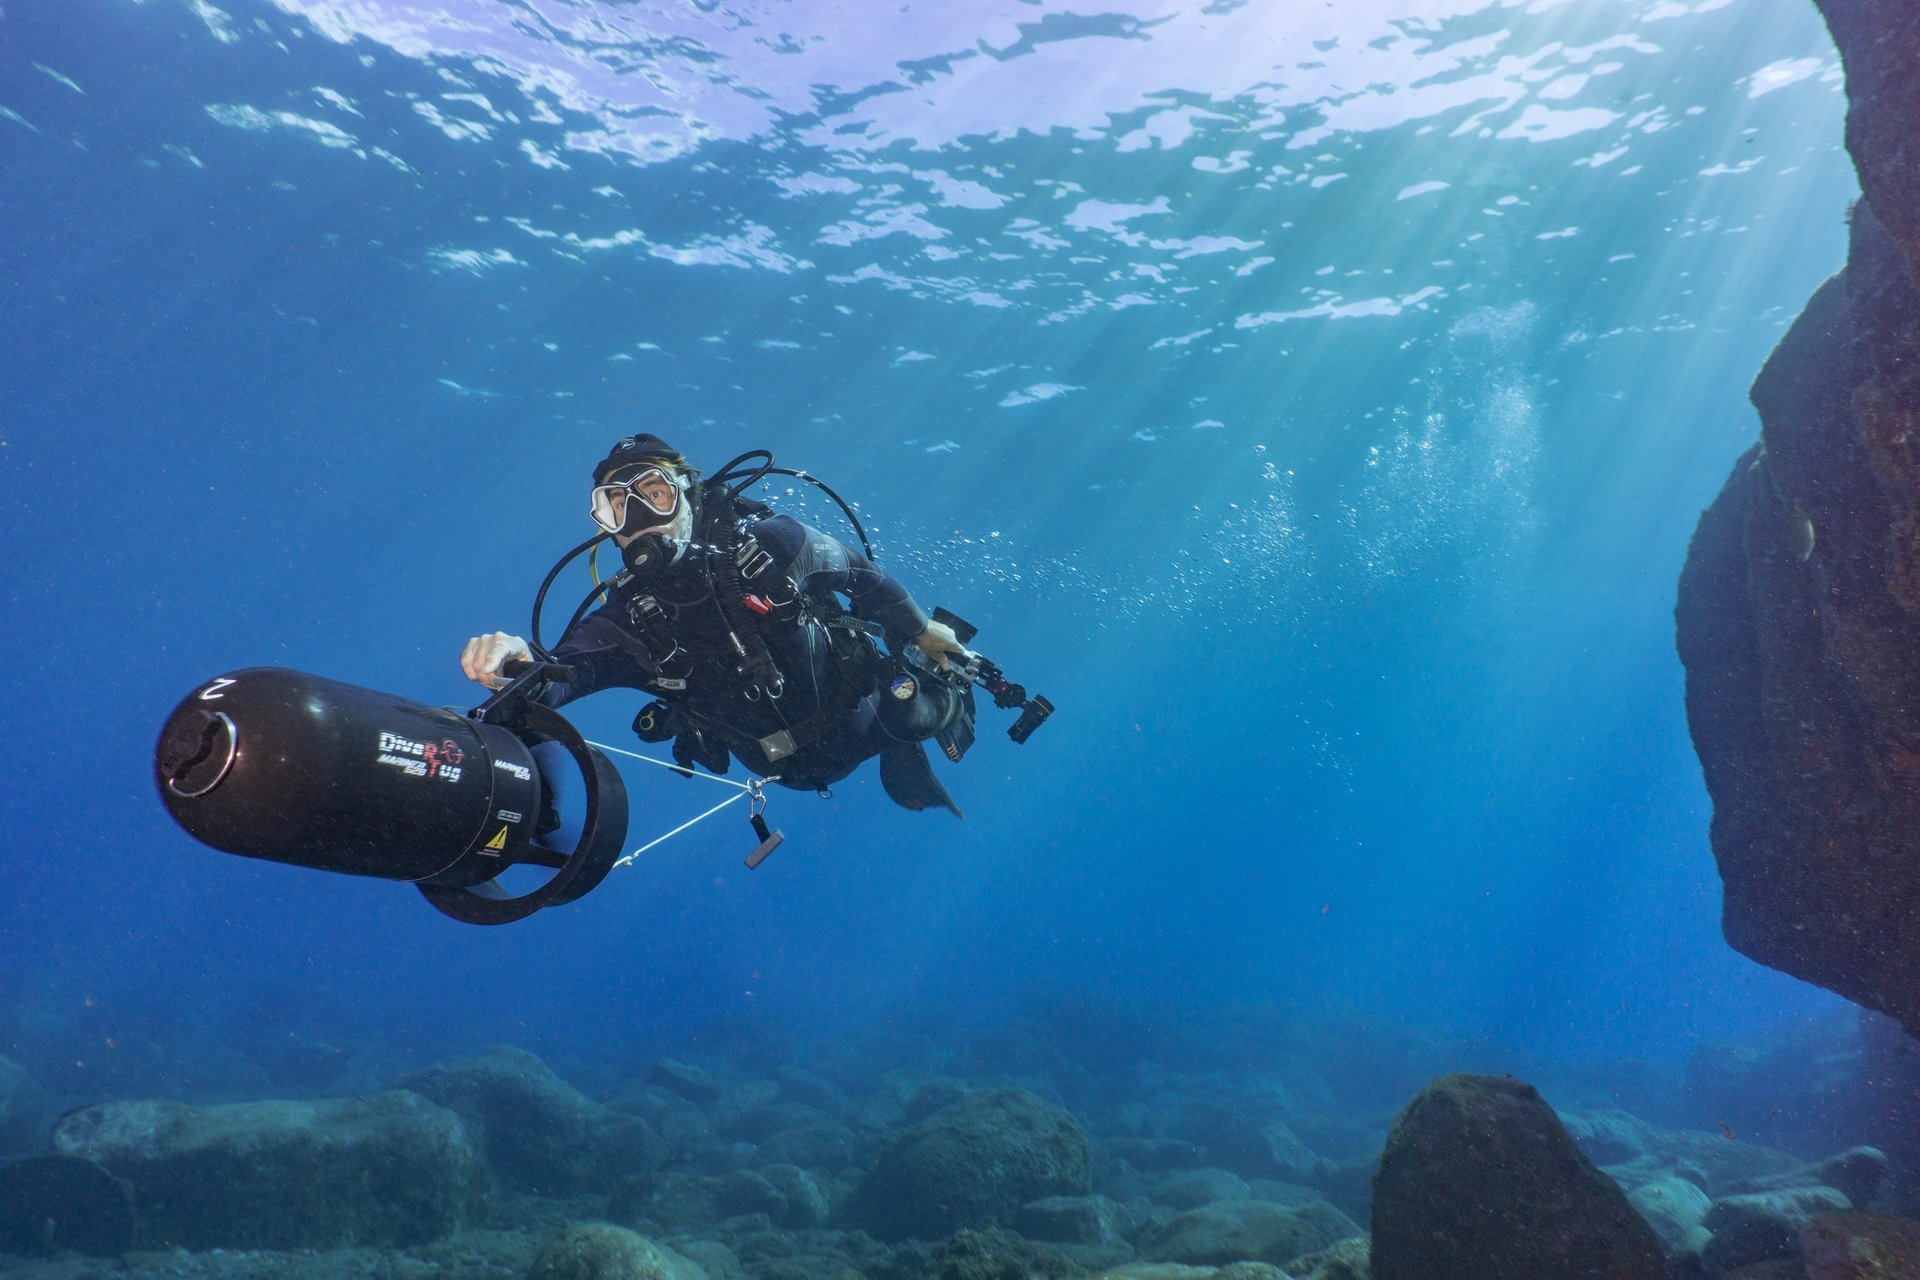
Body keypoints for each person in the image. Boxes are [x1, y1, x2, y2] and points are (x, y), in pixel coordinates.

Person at [461, 434, 977, 816]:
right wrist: (513, 666)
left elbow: (862, 577)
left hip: (867, 717)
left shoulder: (777, 544)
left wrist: (921, 629)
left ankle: (943, 702)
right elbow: (557, 679)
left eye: (653, 492)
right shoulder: (623, 623)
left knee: (915, 713)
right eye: (616, 506)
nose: (638, 515)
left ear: (689, 492)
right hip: (781, 770)